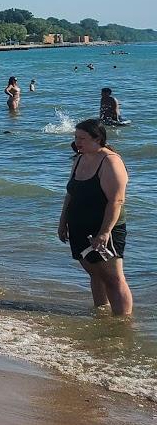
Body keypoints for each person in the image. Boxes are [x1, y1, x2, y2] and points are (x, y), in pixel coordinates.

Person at [59, 119, 132, 316]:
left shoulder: (110, 161)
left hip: (104, 228)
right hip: (78, 226)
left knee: (114, 278)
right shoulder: (79, 159)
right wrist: (62, 221)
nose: (77, 142)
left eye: (82, 138)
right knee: (95, 273)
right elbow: (70, 193)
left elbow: (116, 201)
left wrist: (105, 232)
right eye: (75, 137)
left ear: (98, 138)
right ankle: (101, 313)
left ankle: (122, 323)